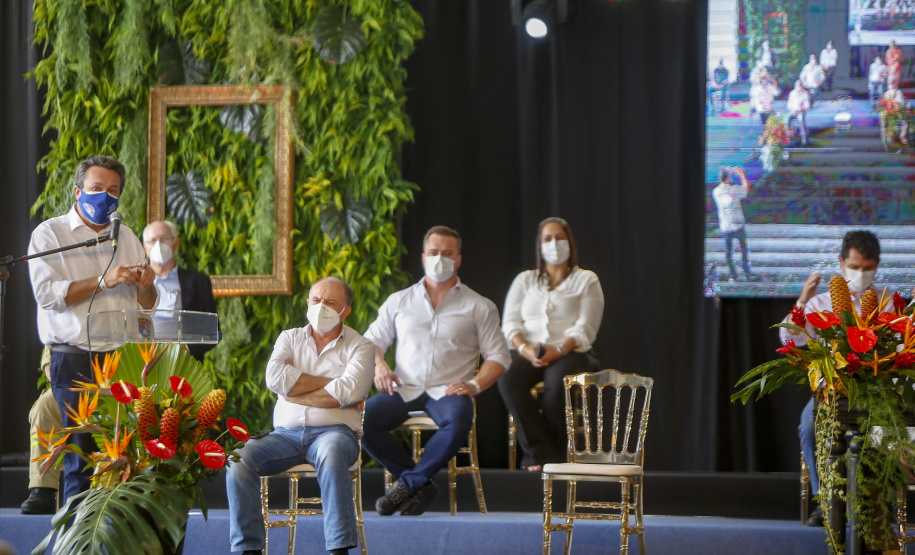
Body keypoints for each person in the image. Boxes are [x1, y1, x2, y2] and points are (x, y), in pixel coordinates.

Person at [28, 155, 157, 504]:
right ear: (77, 190)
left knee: (121, 456)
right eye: (96, 188)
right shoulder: (50, 234)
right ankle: (77, 540)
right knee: (81, 458)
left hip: (120, 360)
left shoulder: (127, 237)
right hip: (74, 361)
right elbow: (47, 295)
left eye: (112, 191)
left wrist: (147, 284)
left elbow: (147, 304)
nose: (104, 197)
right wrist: (104, 280)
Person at [361, 225, 511, 516]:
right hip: (404, 387)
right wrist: (380, 366)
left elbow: (500, 356)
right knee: (362, 419)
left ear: (458, 259)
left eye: (446, 253)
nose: (439, 258)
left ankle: (408, 483)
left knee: (458, 419)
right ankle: (418, 483)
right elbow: (370, 343)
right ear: (422, 257)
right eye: (433, 252)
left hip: (449, 390)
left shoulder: (479, 305)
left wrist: (475, 385)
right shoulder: (399, 301)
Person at [227, 277, 374, 555]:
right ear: (307, 303)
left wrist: (294, 389)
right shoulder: (289, 337)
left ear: (346, 311)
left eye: (330, 302)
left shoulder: (361, 346)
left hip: (336, 433)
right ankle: (249, 548)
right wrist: (330, 381)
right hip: (284, 436)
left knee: (331, 453)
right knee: (238, 459)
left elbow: (348, 391)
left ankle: (339, 548)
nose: (321, 307)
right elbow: (275, 378)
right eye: (316, 300)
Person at [779, 230, 884, 527]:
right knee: (810, 426)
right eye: (854, 267)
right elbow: (790, 340)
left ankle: (870, 502)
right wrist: (802, 301)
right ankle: (825, 499)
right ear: (841, 262)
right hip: (831, 392)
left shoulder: (886, 302)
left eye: (867, 268)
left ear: (876, 266)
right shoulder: (819, 304)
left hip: (875, 392)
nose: (860, 274)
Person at [498, 218, 604, 471]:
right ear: (539, 245)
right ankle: (541, 452)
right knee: (508, 379)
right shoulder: (525, 280)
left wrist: (558, 350)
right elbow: (510, 322)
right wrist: (524, 348)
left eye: (559, 237)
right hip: (530, 350)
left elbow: (586, 327)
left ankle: (553, 460)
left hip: (573, 351)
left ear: (569, 242)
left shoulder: (587, 280)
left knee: (557, 382)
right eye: (547, 239)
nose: (554, 244)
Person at [142, 220, 217, 361]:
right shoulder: (136, 283)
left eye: (165, 238)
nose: (159, 244)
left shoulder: (198, 282)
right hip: (141, 361)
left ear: (177, 243)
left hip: (184, 364)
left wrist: (185, 348)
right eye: (152, 240)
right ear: (145, 247)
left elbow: (212, 332)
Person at [20, 347, 62, 514]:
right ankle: (43, 489)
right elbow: (50, 365)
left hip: (125, 380)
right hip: (74, 385)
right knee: (45, 405)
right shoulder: (61, 319)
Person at [713, 166, 754, 281]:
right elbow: (746, 188)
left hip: (726, 226)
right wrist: (741, 174)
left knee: (729, 251)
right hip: (735, 224)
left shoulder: (716, 191)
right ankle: (745, 271)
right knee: (743, 249)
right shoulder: (732, 190)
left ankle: (734, 274)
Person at [786, 80, 812, 146]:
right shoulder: (792, 93)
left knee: (801, 121)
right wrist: (793, 111)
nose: (799, 86)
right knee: (786, 119)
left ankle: (804, 139)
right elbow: (789, 105)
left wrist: (801, 110)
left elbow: (807, 105)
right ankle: (789, 136)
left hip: (801, 112)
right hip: (793, 111)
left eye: (800, 85)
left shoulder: (805, 93)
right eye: (798, 85)